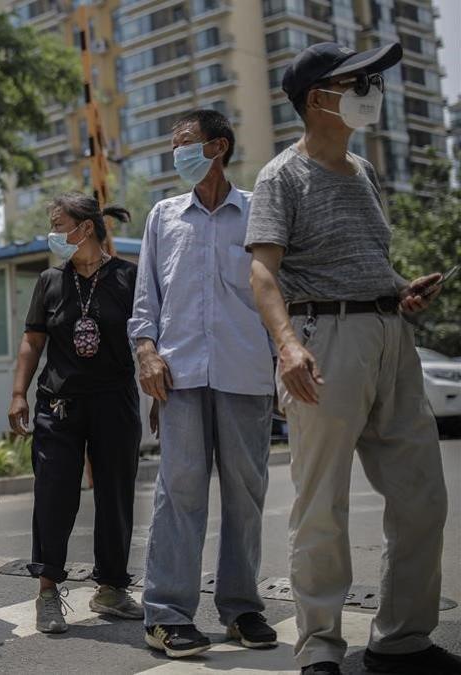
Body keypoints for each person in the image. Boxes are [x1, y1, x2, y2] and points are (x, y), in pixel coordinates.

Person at [248, 42, 461, 675]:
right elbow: (262, 273)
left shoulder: (365, 171)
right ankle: (319, 648)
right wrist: (288, 346)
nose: (373, 88)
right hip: (323, 343)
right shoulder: (280, 176)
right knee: (322, 506)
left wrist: (399, 287)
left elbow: (363, 255)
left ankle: (402, 640)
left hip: (390, 338)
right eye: (359, 80)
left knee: (423, 497)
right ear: (318, 97)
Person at [129, 110, 278, 658]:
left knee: (246, 496)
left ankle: (242, 610)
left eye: (186, 143)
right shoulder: (163, 216)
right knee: (180, 494)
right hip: (180, 375)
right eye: (174, 145)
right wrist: (146, 353)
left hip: (246, 375)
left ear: (218, 147)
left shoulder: (259, 213)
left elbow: (278, 294)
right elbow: (147, 298)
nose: (177, 153)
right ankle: (166, 615)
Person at [6, 191, 141, 635]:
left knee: (116, 495)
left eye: (59, 222)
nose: (53, 232)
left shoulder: (128, 278)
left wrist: (161, 396)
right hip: (59, 403)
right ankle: (47, 593)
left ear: (85, 228)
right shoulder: (50, 281)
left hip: (115, 401)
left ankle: (112, 588)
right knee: (53, 495)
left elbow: (150, 338)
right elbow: (32, 341)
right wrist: (19, 393)